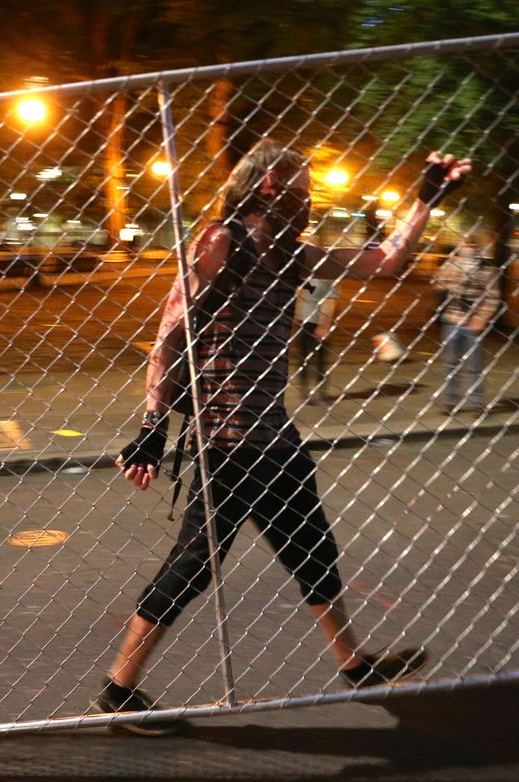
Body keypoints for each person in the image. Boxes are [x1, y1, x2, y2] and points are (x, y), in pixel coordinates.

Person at [97, 140, 471, 735]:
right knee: (194, 564)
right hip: (227, 441)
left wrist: (425, 198)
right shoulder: (223, 242)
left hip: (276, 436)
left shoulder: (294, 254)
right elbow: (171, 332)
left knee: (313, 550)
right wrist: (151, 427)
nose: (310, 193)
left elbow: (384, 262)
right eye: (304, 180)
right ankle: (120, 689)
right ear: (271, 182)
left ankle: (355, 666)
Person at [433, 238, 500, 414]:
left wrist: (482, 317)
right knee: (450, 364)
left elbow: (492, 297)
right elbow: (438, 284)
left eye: (472, 245)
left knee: (474, 366)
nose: (469, 248)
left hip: (473, 322)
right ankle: (451, 401)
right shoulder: (452, 265)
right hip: (452, 320)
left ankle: (476, 402)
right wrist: (452, 270)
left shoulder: (486, 269)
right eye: (466, 245)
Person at [295, 276, 339, 406]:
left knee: (320, 359)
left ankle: (322, 393)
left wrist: (324, 325)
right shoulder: (304, 273)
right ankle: (305, 391)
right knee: (303, 358)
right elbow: (299, 297)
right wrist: (296, 318)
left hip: (318, 321)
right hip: (304, 322)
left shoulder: (328, 275)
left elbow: (329, 302)